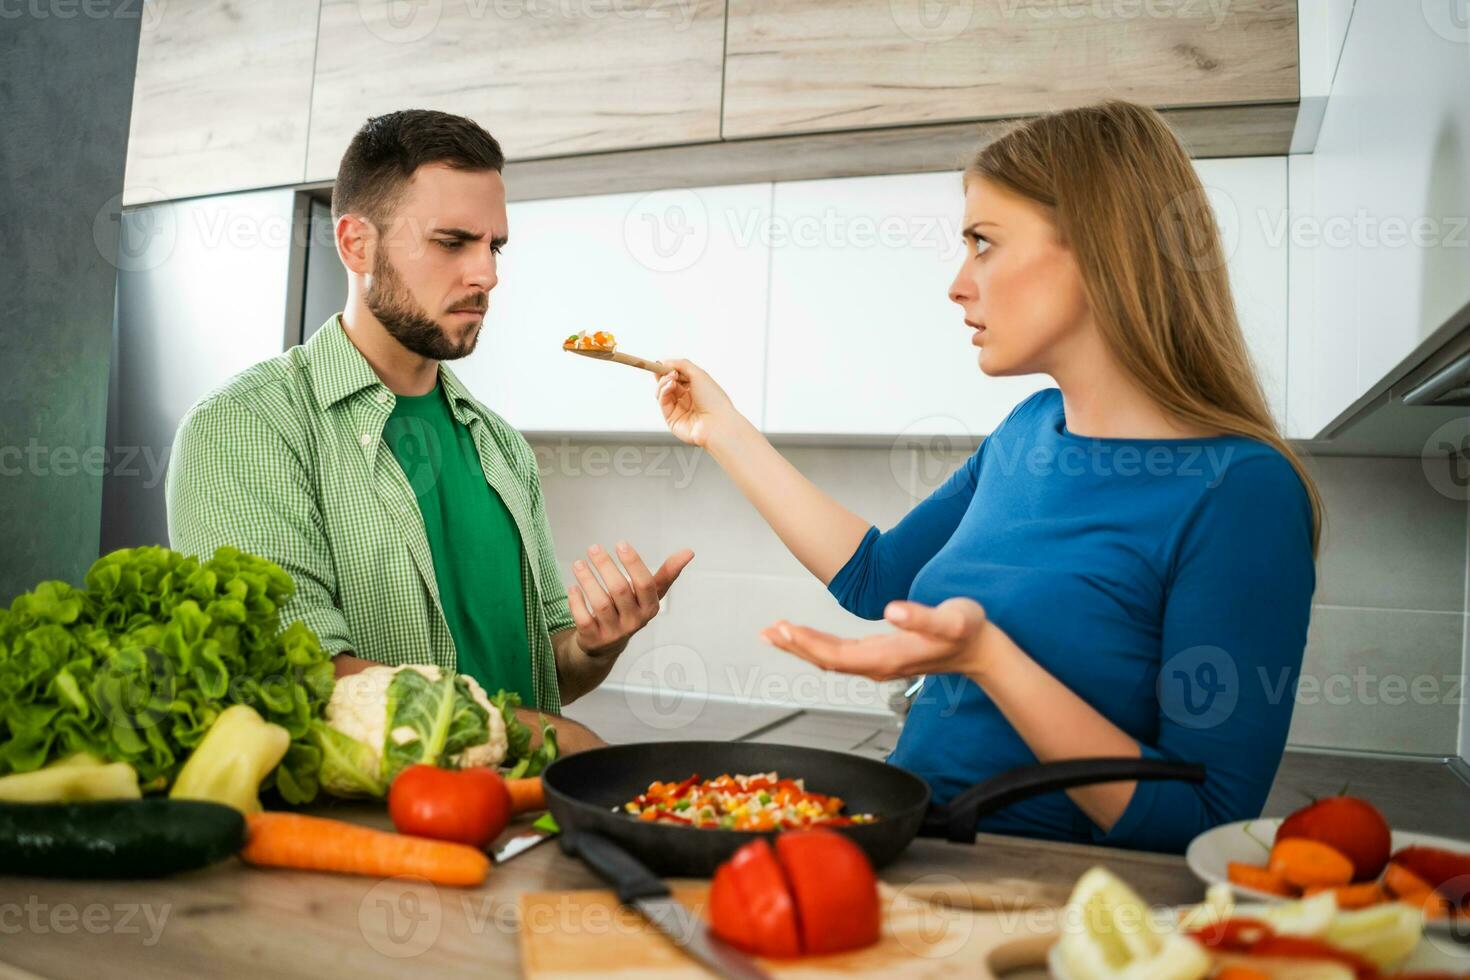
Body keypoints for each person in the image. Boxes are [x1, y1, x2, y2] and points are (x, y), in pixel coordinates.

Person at [654, 101, 1320, 852]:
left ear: (1103, 250)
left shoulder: (1243, 493)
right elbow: (880, 581)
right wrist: (723, 429)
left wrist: (988, 659)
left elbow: (1205, 829)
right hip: (915, 857)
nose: (958, 284)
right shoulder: (1028, 433)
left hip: (1049, 902)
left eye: (982, 244)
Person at [167, 110, 694, 752]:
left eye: (493, 246)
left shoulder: (500, 447)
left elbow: (542, 675)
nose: (487, 275)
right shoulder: (246, 427)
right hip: (370, 836)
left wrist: (594, 644)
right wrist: (549, 738)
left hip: (509, 825)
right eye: (453, 242)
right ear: (357, 244)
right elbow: (294, 677)